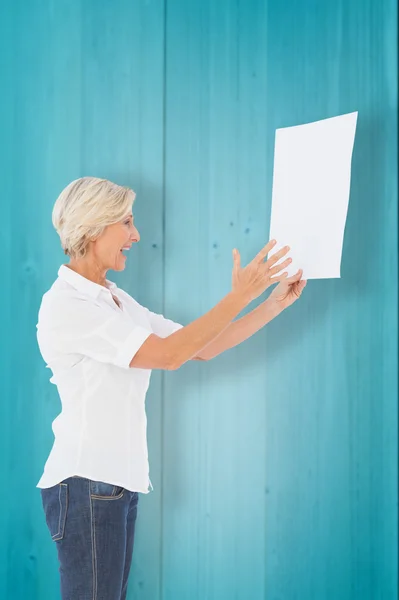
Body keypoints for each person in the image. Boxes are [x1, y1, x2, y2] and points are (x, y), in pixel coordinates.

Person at [36, 176, 307, 600]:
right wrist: (237, 296)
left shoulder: (115, 300)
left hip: (114, 484)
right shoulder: (68, 305)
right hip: (87, 482)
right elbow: (169, 355)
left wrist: (272, 303)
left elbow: (201, 347)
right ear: (93, 226)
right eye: (126, 222)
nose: (136, 235)